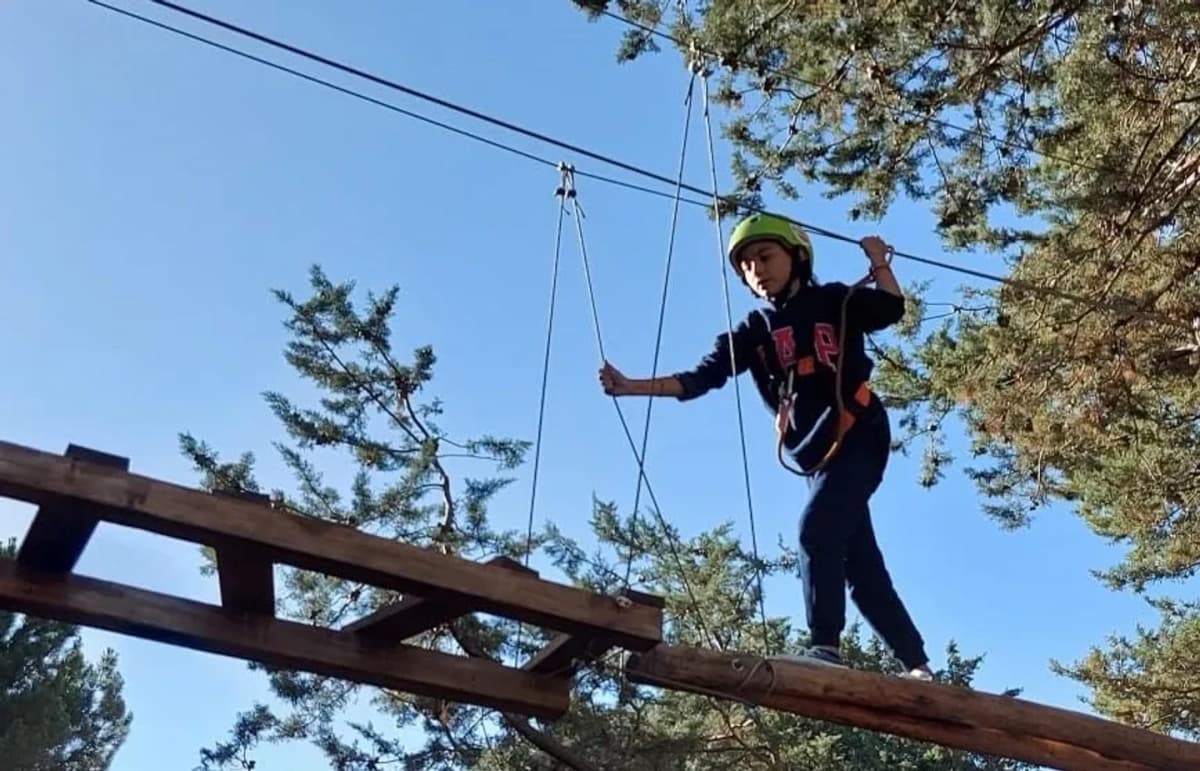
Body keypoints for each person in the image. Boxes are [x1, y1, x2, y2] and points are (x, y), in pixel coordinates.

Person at [598, 212, 934, 681]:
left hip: (858, 431)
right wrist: (632, 386)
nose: (756, 270)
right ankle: (916, 664)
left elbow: (890, 309)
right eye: (746, 266)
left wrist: (878, 262)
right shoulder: (753, 332)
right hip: (817, 454)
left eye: (764, 256)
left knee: (816, 531)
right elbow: (700, 378)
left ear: (796, 256)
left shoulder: (834, 300)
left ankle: (825, 648)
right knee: (858, 563)